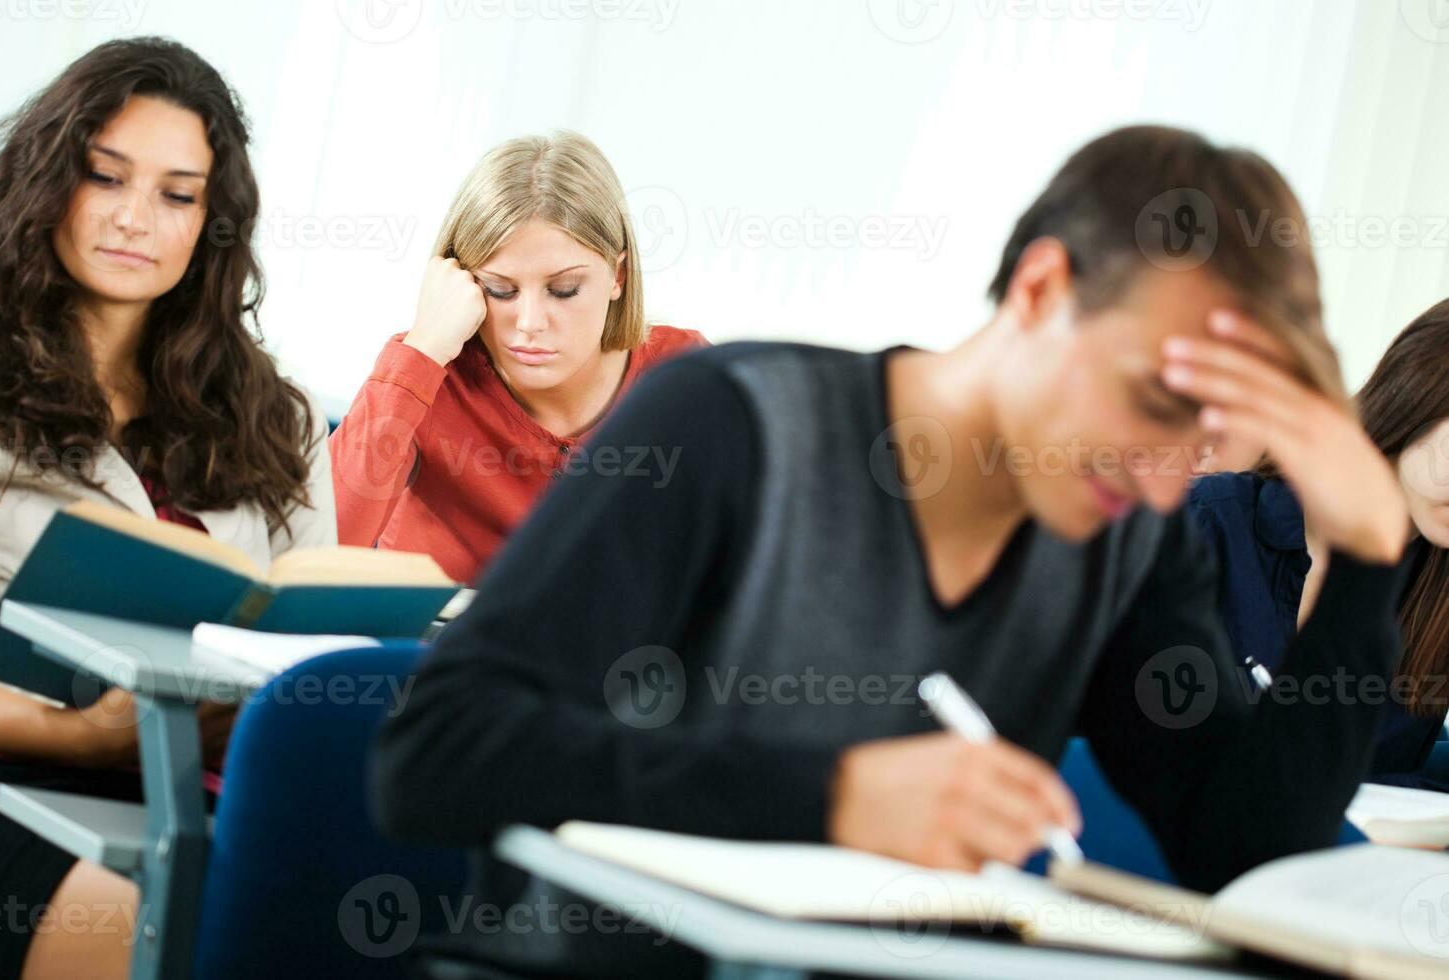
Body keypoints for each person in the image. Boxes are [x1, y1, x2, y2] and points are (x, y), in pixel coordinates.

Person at [369, 125, 1411, 976]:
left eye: (1210, 434)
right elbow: (433, 753)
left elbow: (1241, 850)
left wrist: (1364, 560)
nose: (1166, 477)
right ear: (1043, 290)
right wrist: (830, 794)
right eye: (1151, 403)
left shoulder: (1126, 537)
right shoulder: (726, 421)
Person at [0, 38, 335, 980]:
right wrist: (83, 734)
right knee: (172, 910)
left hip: (214, 786)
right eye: (106, 178)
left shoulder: (272, 413)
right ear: (47, 179)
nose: (138, 218)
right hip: (8, 775)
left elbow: (311, 634)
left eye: (178, 195)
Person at [330, 131, 706, 584]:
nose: (529, 322)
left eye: (563, 290)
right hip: (428, 650)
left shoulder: (683, 375)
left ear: (618, 276)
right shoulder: (426, 371)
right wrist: (423, 348)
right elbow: (317, 551)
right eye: (499, 290)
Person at [1190, 301, 1449, 790]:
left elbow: (1392, 788)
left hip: (1350, 862)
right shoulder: (1213, 524)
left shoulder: (1437, 594)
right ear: (1419, 391)